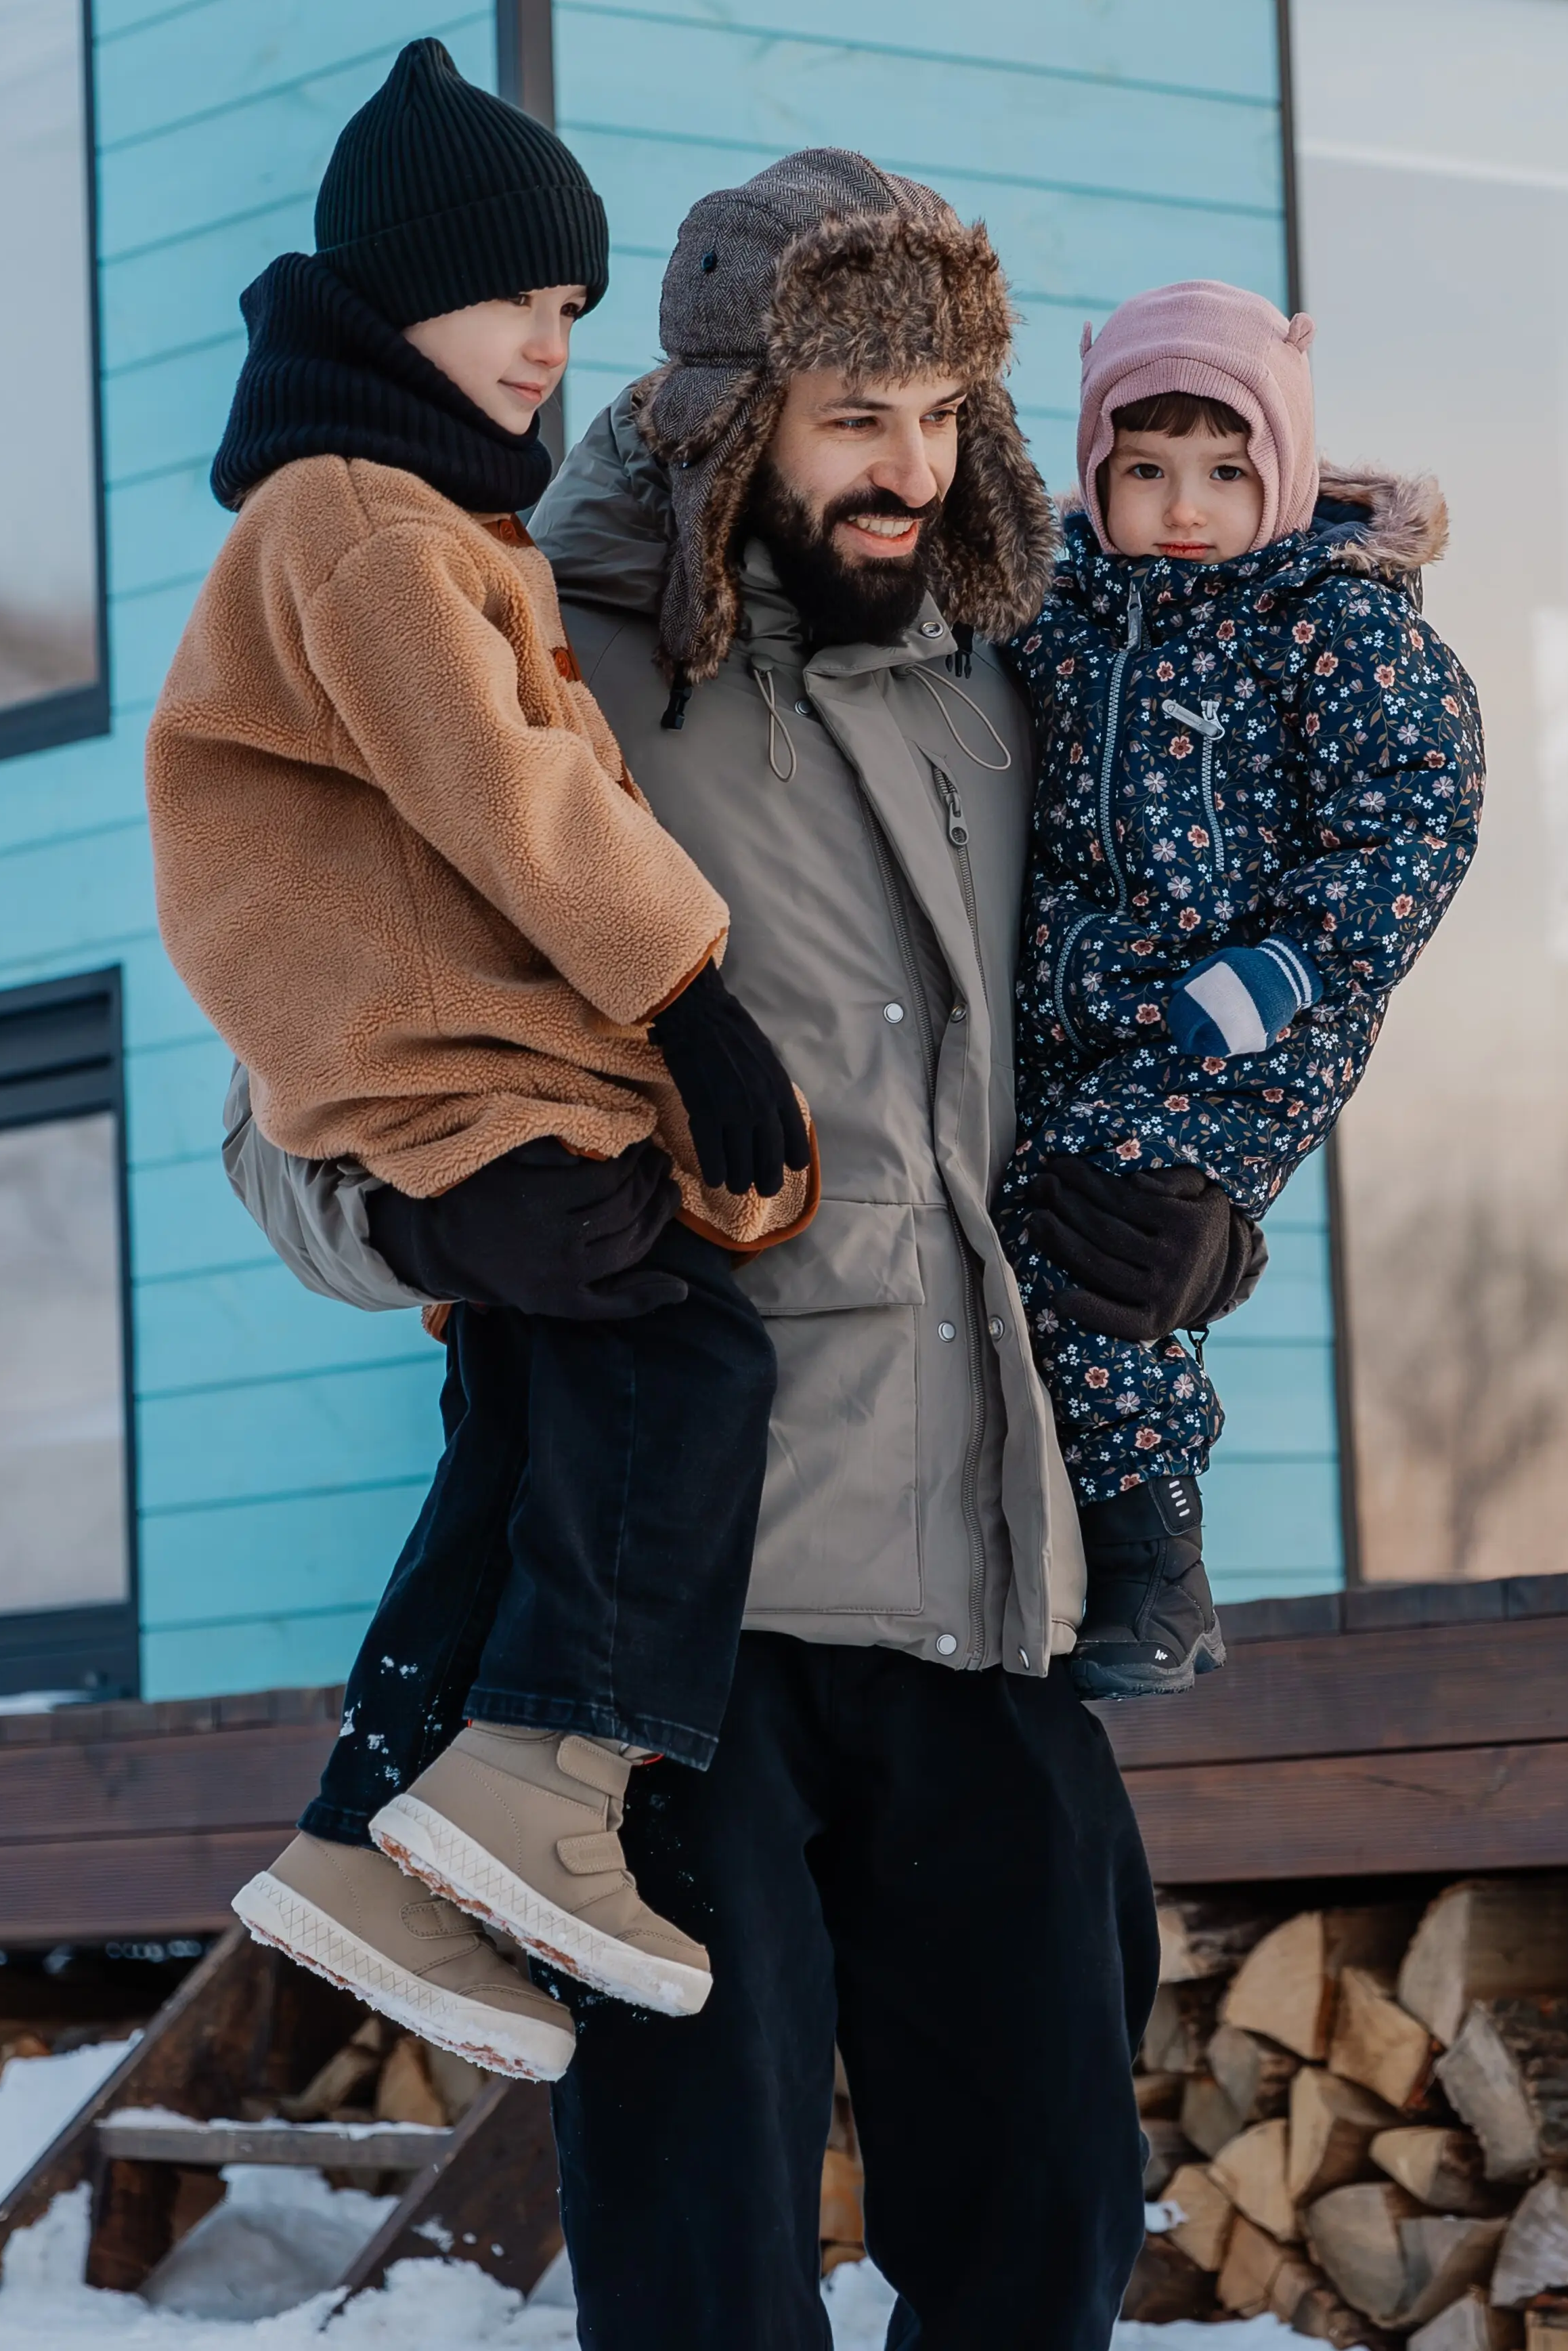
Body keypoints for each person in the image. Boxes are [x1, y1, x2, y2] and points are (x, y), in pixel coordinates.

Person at [231, 148, 1258, 2340]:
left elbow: (1117, 1041)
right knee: (704, 2259)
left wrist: (1202, 1226)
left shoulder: (1015, 678)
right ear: (728, 414)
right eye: (855, 417)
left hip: (992, 1594)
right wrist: (435, 1211)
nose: (912, 471)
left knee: (1052, 2223)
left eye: (949, 416)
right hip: (675, 1640)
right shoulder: (534, 654)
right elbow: (293, 1079)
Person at [146, 41, 820, 2081]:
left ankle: (373, 1827)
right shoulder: (359, 520)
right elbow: (512, 793)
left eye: (573, 307)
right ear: (399, 291)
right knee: (682, 1355)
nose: (551, 340)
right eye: (521, 295)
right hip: (446, 1055)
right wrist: (691, 995)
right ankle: (549, 1774)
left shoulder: (412, 513)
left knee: (535, 1416)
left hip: (458, 1050)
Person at [1007, 280, 1482, 1694]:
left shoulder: (1327, 620)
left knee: (1110, 1244)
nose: (1185, 503)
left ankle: (1160, 1568)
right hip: (1087, 1015)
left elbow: (1418, 813)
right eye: (1144, 470)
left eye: (1225, 469)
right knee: (1036, 1236)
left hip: (1254, 1022)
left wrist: (1285, 968)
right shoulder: (1062, 609)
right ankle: (1086, 1552)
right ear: (1096, 472)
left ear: (1281, 470)